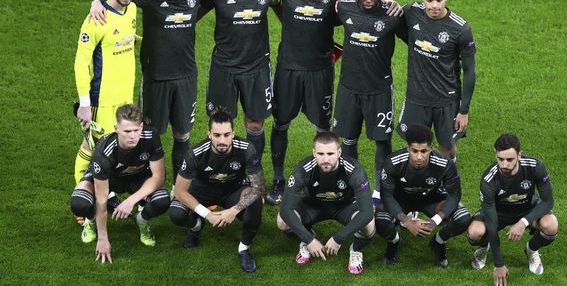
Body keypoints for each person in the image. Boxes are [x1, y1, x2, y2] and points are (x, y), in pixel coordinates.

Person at [212, 0, 402, 205]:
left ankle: (328, 178)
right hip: (288, 69)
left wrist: (388, 0)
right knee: (280, 124)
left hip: (320, 71)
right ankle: (278, 179)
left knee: (324, 128)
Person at [89, 0, 207, 196]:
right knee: (149, 133)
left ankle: (178, 187)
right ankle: (145, 183)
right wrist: (97, 1)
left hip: (186, 77)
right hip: (155, 79)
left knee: (183, 134)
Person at [200, 0, 278, 172]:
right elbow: (192, 12)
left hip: (257, 67)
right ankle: (220, 169)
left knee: (255, 123)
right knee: (220, 121)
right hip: (224, 67)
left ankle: (252, 170)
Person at [333, 0, 407, 205]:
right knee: (348, 141)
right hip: (348, 89)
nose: (367, 0)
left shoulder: (392, 14)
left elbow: (414, 41)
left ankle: (381, 189)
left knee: (382, 141)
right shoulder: (344, 6)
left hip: (379, 91)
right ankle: (354, 185)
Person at [73, 0, 138, 224]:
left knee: (116, 149)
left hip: (125, 98)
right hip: (102, 100)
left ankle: (108, 194)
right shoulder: (96, 18)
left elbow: (125, 38)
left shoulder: (132, 8)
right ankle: (81, 200)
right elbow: (81, 62)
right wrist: (86, 104)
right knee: (92, 148)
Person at [69, 104, 171, 263]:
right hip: (110, 179)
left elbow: (158, 177)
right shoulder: (103, 152)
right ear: (116, 128)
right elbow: (102, 200)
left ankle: (141, 220)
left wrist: (131, 201)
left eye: (136, 130)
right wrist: (103, 239)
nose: (132, 136)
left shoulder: (151, 137)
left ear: (142, 126)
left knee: (162, 199)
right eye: (127, 131)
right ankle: (91, 219)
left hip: (137, 178)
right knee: (79, 202)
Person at [168, 108, 265, 273]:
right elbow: (179, 191)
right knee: (176, 213)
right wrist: (208, 215)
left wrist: (233, 211)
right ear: (209, 134)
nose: (222, 140)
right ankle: (196, 227)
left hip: (232, 191)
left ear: (233, 133)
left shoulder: (246, 149)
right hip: (202, 192)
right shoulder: (195, 153)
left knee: (256, 201)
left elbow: (259, 187)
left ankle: (244, 248)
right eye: (217, 135)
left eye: (227, 135)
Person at [398, 0, 476, 162]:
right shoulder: (411, 12)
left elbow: (470, 71)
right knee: (415, 146)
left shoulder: (460, 28)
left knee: (447, 148)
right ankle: (416, 185)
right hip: (417, 97)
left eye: (439, 0)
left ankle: (447, 186)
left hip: (446, 99)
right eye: (429, 0)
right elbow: (391, 21)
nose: (434, 5)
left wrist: (463, 111)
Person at [277, 131, 375, 274]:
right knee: (281, 222)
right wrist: (309, 239)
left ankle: (356, 249)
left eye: (330, 154)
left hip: (344, 206)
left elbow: (367, 212)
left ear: (339, 152)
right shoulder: (303, 170)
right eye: (321, 154)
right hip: (313, 206)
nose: (325, 159)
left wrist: (338, 238)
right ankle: (308, 236)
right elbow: (285, 209)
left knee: (369, 225)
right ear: (314, 152)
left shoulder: (354, 170)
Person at [467, 134, 558, 286]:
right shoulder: (489, 180)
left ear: (519, 155)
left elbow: (548, 201)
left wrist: (523, 223)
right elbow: (491, 221)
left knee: (551, 225)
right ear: (495, 154)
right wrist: (498, 263)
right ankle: (484, 246)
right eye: (500, 159)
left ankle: (531, 250)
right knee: (475, 232)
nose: (504, 164)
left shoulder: (535, 166)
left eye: (510, 160)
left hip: (527, 209)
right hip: (498, 212)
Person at [376, 123, 470, 268]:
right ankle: (394, 242)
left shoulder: (445, 163)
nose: (419, 157)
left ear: (431, 148)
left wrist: (435, 220)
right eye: (414, 151)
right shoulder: (393, 162)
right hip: (402, 201)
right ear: (408, 148)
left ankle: (438, 242)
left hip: (431, 201)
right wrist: (407, 221)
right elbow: (387, 196)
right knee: (381, 219)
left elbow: (454, 194)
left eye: (424, 151)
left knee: (463, 218)